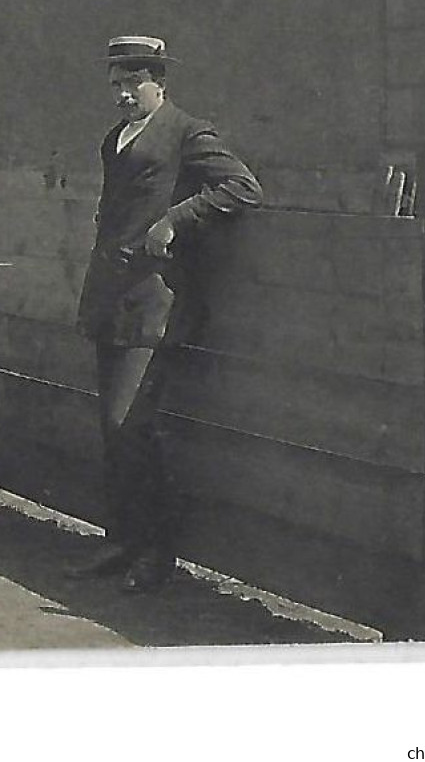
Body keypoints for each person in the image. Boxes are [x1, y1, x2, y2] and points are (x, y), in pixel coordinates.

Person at [67, 35, 262, 592]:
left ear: (160, 82)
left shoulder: (186, 131)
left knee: (132, 427)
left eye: (135, 82)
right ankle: (122, 543)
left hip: (154, 300)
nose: (124, 93)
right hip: (111, 297)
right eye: (116, 84)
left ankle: (156, 555)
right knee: (113, 429)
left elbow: (244, 188)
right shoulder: (115, 140)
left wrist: (177, 217)